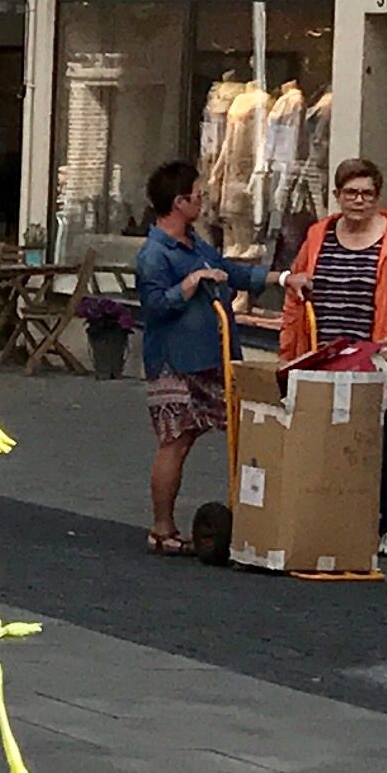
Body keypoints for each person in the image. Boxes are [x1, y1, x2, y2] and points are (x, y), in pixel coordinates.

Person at [281, 155, 387, 559]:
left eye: (367, 194)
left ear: (378, 197)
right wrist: (289, 358)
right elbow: (296, 296)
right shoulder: (318, 236)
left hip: (385, 364)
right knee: (331, 444)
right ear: (337, 195)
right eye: (351, 193)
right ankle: (341, 520)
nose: (359, 200)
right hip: (329, 361)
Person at [135, 157, 270, 556]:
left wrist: (279, 278)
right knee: (176, 440)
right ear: (179, 202)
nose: (204, 201)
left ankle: (252, 515)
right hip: (172, 361)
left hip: (211, 356)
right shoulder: (154, 254)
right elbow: (155, 307)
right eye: (198, 195)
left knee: (228, 429)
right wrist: (191, 284)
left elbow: (227, 269)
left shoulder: (195, 243)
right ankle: (162, 528)